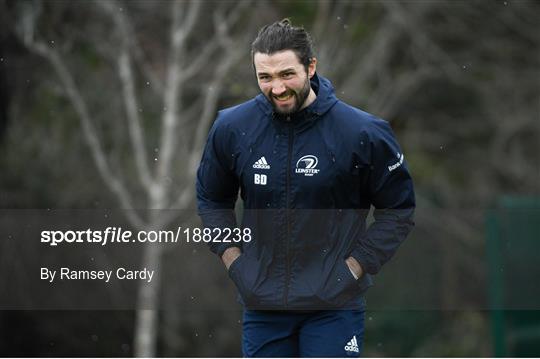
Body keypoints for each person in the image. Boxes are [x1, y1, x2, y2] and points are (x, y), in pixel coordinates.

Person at [196, 19, 415, 357]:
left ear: (311, 66)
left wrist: (353, 268)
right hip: (263, 307)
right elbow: (211, 199)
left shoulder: (363, 132)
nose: (277, 88)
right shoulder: (232, 128)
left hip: (335, 307)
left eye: (287, 74)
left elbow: (398, 211)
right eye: (265, 77)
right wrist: (235, 262)